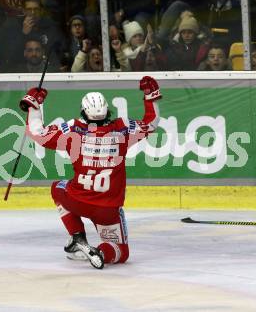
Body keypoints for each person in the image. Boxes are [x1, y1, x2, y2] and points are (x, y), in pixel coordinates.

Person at [20, 76, 162, 269]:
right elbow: (152, 122)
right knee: (120, 251)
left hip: (77, 200)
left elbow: (37, 134)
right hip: (107, 209)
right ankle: (100, 252)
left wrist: (34, 106)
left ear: (83, 111)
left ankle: (77, 236)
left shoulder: (72, 130)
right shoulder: (123, 130)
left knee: (57, 188)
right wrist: (150, 96)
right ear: (107, 110)